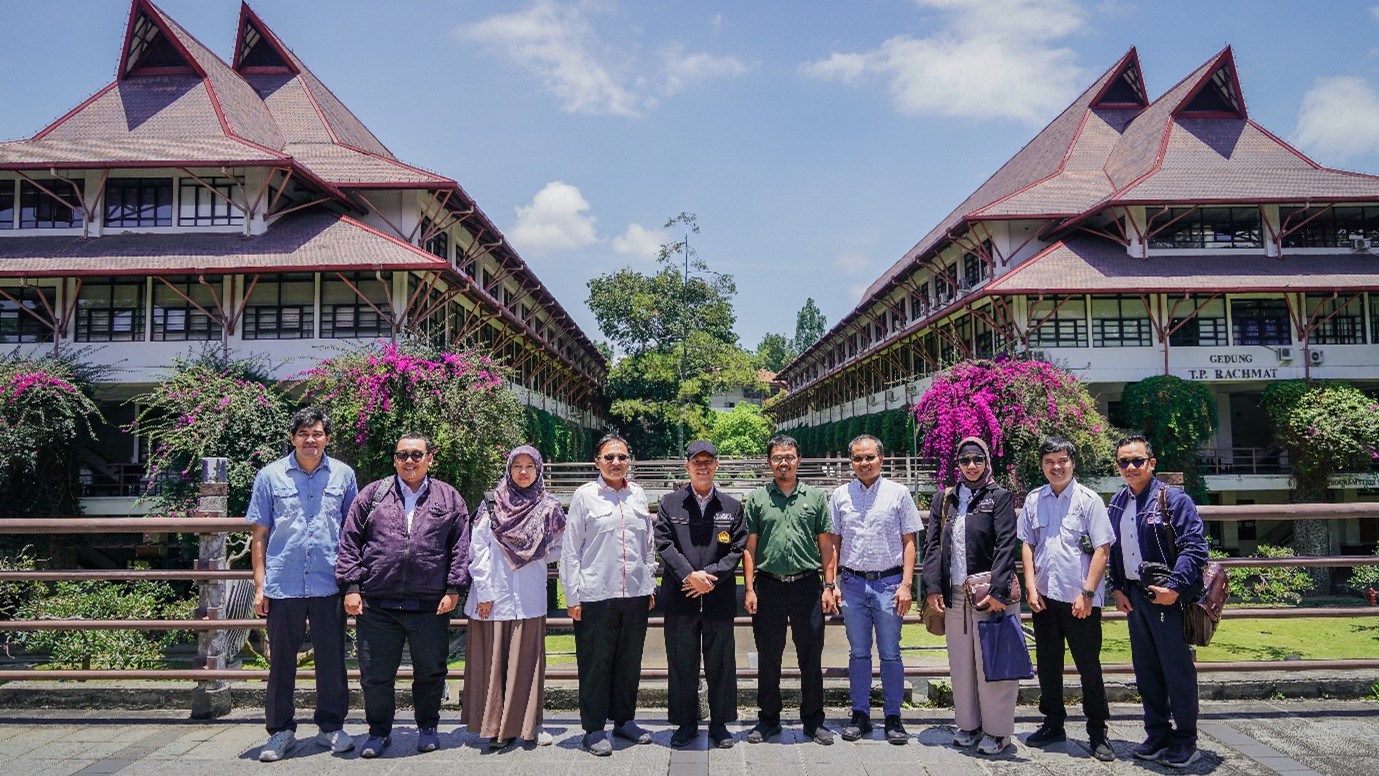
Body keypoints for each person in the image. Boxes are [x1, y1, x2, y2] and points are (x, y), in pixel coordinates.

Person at [335, 432, 471, 758]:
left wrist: (454, 588)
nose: (409, 461)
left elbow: (460, 547)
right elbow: (349, 541)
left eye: (416, 455)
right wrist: (351, 587)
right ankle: (378, 732)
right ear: (394, 459)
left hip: (429, 605)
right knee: (375, 675)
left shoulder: (448, 498)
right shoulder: (373, 495)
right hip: (377, 604)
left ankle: (428, 727)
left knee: (431, 671)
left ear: (429, 459)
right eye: (402, 455)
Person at [246, 407, 357, 762]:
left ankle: (331, 728)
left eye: (317, 433)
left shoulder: (343, 475)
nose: (311, 440)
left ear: (327, 438)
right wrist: (260, 586)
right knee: (281, 663)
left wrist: (352, 584)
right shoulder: (270, 476)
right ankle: (280, 732)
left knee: (332, 661)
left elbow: (352, 533)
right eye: (304, 434)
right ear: (292, 438)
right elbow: (259, 535)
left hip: (329, 583)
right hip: (283, 583)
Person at [1107, 434, 1209, 769]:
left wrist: (1175, 588)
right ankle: (1157, 733)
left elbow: (1195, 547)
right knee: (1146, 670)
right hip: (1135, 598)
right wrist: (1117, 588)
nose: (1131, 467)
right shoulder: (1117, 503)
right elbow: (1114, 549)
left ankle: (1186, 739)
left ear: (1151, 463)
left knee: (1177, 670)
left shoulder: (1173, 500)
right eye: (1124, 462)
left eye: (1137, 460)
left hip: (1168, 599)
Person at [462, 445, 566, 749]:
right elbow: (477, 550)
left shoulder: (549, 507)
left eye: (530, 466)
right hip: (493, 598)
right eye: (517, 465)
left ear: (538, 470)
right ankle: (496, 728)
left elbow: (562, 546)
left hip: (529, 597)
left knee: (528, 665)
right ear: (509, 469)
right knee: (495, 664)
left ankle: (531, 725)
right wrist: (485, 592)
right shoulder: (493, 503)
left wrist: (536, 550)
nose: (523, 471)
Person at [1018, 437, 1115, 761]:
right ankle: (1053, 723)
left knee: (1089, 666)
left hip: (1080, 599)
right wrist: (1030, 587)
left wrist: (1087, 593)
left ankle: (1097, 731)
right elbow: (1028, 544)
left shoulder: (1089, 500)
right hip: (1044, 596)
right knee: (1048, 664)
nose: (1056, 466)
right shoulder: (1034, 499)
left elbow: (1102, 549)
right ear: (1042, 465)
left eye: (1062, 460)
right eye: (1049, 461)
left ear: (1073, 462)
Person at [921, 436, 1019, 756]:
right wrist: (933, 587)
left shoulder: (999, 497)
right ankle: (968, 724)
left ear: (987, 461)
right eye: (965, 460)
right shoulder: (946, 499)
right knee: (961, 664)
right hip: (955, 596)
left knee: (994, 664)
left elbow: (1006, 544)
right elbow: (932, 545)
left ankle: (997, 731)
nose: (972, 465)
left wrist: (999, 591)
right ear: (957, 464)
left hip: (990, 595)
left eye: (978, 459)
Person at [561, 434, 657, 756]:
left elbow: (648, 545)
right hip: (596, 594)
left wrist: (649, 584)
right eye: (609, 457)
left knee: (629, 661)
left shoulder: (638, 495)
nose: (616, 462)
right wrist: (572, 597)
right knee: (595, 664)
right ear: (597, 462)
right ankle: (593, 729)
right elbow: (571, 550)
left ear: (629, 461)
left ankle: (624, 721)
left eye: (622, 457)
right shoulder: (584, 496)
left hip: (635, 593)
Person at [743, 434, 837, 746]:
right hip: (768, 586)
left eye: (789, 457)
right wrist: (749, 589)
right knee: (768, 655)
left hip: (807, 586)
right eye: (777, 458)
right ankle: (768, 719)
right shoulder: (757, 499)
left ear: (798, 460)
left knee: (810, 655)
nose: (783, 462)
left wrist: (829, 585)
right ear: (769, 462)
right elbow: (750, 548)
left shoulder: (816, 497)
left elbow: (826, 546)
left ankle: (813, 720)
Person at [829, 434, 921, 745]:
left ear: (881, 459)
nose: (864, 463)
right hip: (853, 583)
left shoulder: (898, 493)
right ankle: (860, 714)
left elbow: (910, 542)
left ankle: (893, 716)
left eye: (869, 457)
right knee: (858, 652)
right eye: (857, 458)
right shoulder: (840, 495)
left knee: (891, 652)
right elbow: (834, 543)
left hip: (889, 583)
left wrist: (907, 584)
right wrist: (833, 583)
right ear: (851, 462)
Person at [655, 440, 747, 750]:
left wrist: (710, 577)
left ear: (717, 465)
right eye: (697, 462)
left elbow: (737, 548)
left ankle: (720, 723)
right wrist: (689, 575)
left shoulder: (731, 506)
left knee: (721, 663)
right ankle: (686, 723)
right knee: (682, 663)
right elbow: (664, 543)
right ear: (687, 466)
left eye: (708, 461)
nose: (703, 467)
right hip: (681, 596)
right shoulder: (670, 504)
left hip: (718, 597)